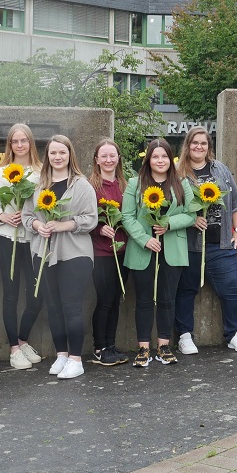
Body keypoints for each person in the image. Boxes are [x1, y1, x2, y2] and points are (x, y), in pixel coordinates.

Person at [22, 135, 98, 379]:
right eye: (53, 153)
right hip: (44, 253)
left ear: (69, 155)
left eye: (62, 153)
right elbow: (26, 216)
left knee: (71, 307)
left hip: (74, 253)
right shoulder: (37, 185)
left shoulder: (81, 185)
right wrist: (37, 226)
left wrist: (62, 225)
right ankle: (62, 354)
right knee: (53, 307)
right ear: (48, 156)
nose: (57, 157)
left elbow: (91, 219)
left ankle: (76, 359)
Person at [122, 138, 197, 367]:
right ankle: (143, 348)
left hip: (172, 249)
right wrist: (145, 240)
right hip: (143, 250)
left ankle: (164, 345)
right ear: (148, 159)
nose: (160, 160)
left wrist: (169, 224)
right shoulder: (135, 183)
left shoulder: (181, 183)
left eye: (164, 156)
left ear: (170, 158)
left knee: (167, 298)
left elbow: (192, 214)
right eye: (155, 156)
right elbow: (127, 216)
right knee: (144, 299)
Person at [174, 128, 237, 354]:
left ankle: (234, 334)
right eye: (194, 143)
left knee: (232, 290)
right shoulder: (178, 174)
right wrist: (191, 219)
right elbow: (172, 209)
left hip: (220, 244)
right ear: (187, 145)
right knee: (185, 291)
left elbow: (235, 202)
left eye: (203, 143)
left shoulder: (221, 169)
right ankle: (184, 336)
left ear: (209, 147)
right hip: (190, 245)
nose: (199, 147)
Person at [0, 123, 44, 371]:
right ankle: (14, 349)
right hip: (8, 237)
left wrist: (31, 217)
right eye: (15, 141)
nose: (20, 145)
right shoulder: (2, 173)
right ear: (10, 145)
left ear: (31, 143)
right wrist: (4, 217)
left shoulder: (41, 172)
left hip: (32, 239)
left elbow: (44, 205)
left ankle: (23, 340)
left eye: (24, 140)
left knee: (36, 294)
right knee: (10, 294)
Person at [87, 139, 129, 366]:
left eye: (112, 155)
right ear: (96, 159)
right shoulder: (90, 186)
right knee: (104, 300)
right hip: (101, 252)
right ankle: (99, 347)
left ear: (118, 158)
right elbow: (83, 218)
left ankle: (111, 345)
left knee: (115, 300)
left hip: (122, 251)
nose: (108, 159)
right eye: (103, 156)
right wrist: (99, 227)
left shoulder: (126, 185)